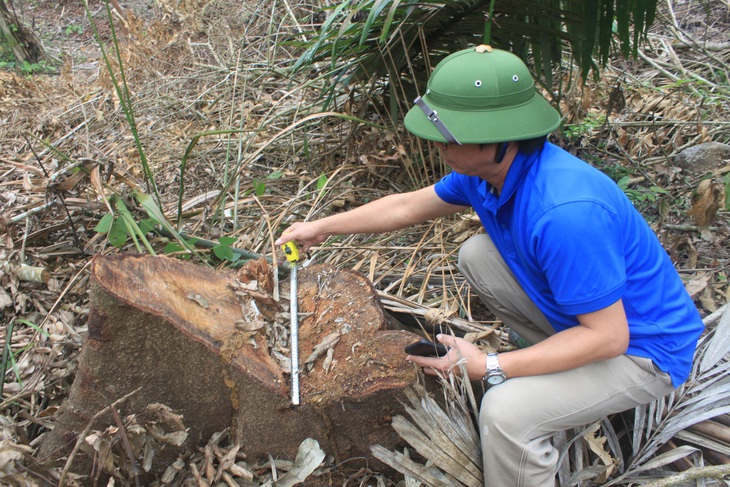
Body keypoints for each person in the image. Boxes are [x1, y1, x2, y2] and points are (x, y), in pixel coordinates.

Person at [275, 45, 704, 486]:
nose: (437, 142)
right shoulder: (486, 173)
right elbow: (405, 207)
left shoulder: (565, 213)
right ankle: (558, 371)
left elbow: (611, 336)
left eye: (452, 133)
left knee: (505, 411)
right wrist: (320, 227)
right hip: (592, 322)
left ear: (500, 136)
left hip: (643, 353)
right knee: (477, 255)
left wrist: (493, 366)